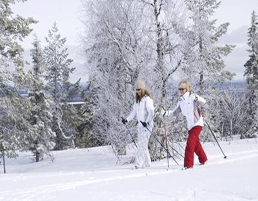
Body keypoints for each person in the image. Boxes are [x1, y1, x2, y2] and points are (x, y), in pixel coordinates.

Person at [162, 80, 207, 169]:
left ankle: (188, 165)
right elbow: (175, 111)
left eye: (183, 89)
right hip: (190, 125)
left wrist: (197, 98)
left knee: (190, 144)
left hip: (197, 123)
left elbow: (204, 101)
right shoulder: (181, 101)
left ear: (187, 89)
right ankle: (203, 159)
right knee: (195, 143)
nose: (181, 91)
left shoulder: (192, 96)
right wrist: (166, 113)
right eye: (180, 89)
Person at [122, 80, 155, 169]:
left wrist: (147, 121)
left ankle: (138, 165)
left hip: (147, 126)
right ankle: (148, 164)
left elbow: (151, 112)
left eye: (139, 89)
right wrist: (127, 120)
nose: (138, 91)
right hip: (140, 126)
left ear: (143, 89)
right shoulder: (137, 101)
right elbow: (134, 112)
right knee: (143, 145)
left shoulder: (147, 99)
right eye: (136, 90)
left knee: (141, 145)